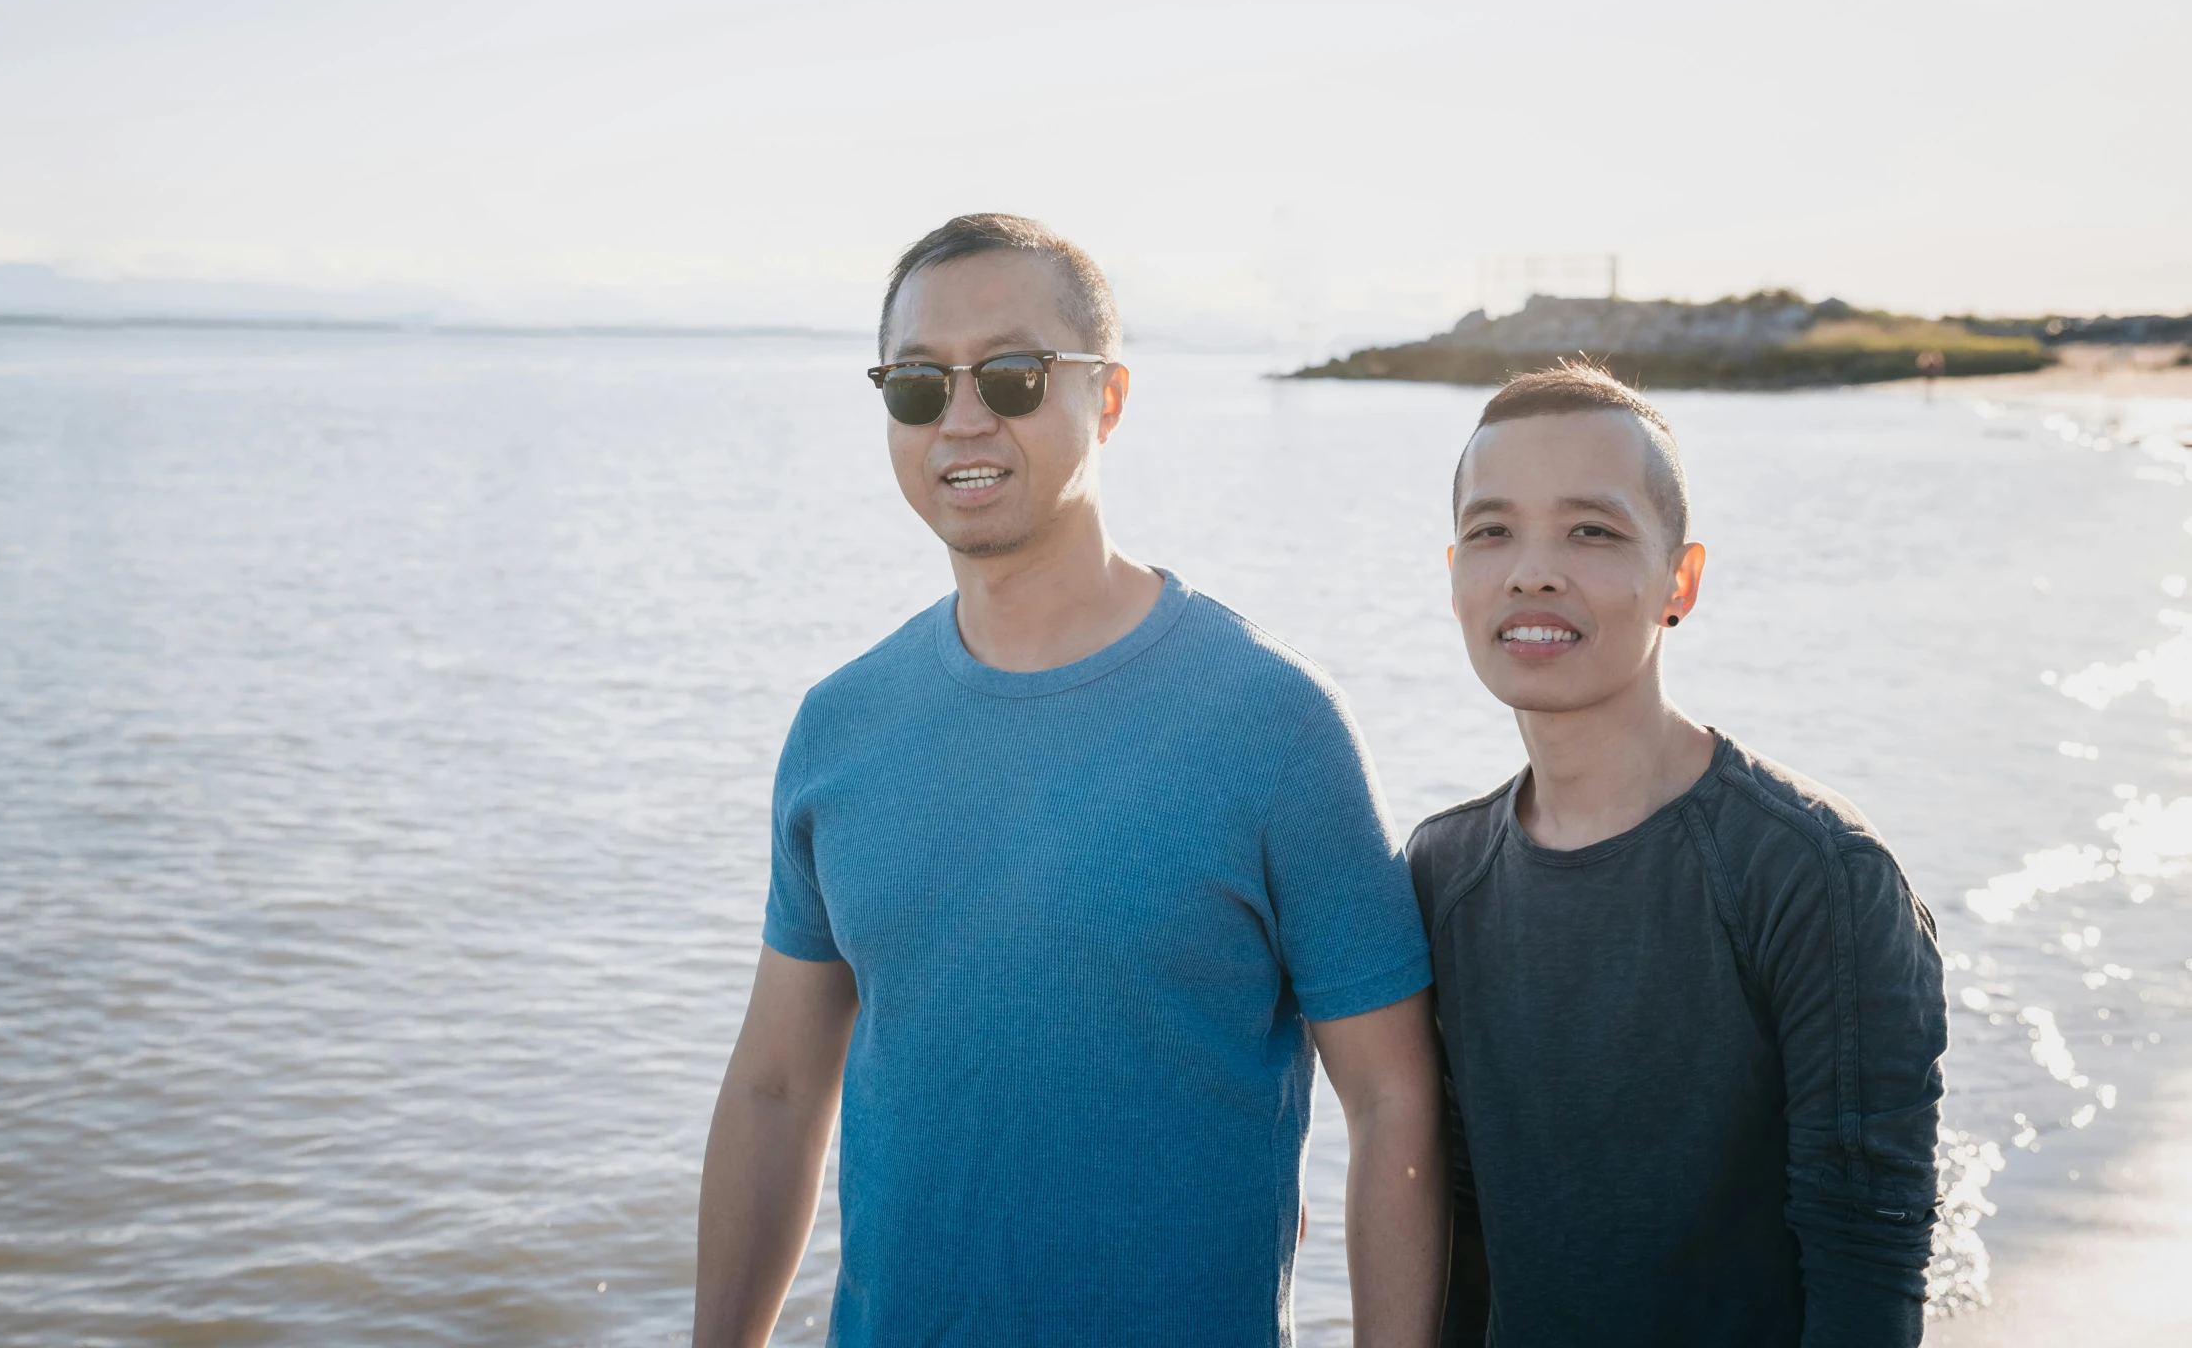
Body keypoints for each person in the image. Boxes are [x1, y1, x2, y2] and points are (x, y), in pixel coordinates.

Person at [694, 213, 1448, 1347]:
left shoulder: (1274, 720)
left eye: (1012, 372)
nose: (961, 417)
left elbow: (1394, 1103)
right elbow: (776, 1090)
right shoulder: (839, 724)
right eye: (916, 383)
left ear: (1110, 395)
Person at [1411, 362, 1947, 1347]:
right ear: (1453, 574)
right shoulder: (1442, 871)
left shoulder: (1816, 873)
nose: (1532, 568)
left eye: (1592, 529)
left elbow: (1866, 1251)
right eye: (1493, 530)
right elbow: (1459, 1221)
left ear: (1680, 582)